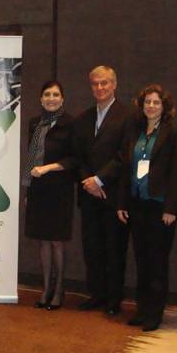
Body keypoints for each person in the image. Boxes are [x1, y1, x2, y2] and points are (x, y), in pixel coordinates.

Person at [117, 84, 177, 332]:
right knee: (141, 259)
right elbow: (126, 168)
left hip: (160, 207)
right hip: (137, 204)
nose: (151, 106)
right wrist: (122, 202)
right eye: (147, 102)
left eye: (156, 102)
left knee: (157, 262)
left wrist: (171, 208)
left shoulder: (174, 132)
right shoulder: (135, 130)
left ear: (164, 106)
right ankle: (142, 309)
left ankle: (154, 313)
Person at [72, 65, 131, 315]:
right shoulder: (83, 118)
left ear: (114, 84)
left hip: (114, 195)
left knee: (114, 249)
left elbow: (125, 155)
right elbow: (78, 156)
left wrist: (100, 179)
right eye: (95, 83)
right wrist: (89, 181)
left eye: (104, 82)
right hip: (89, 195)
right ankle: (96, 294)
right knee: (92, 248)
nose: (100, 87)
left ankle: (113, 299)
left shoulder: (129, 115)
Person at [24, 80, 75, 310]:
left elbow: (74, 159)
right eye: (47, 94)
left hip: (59, 189)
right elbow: (30, 158)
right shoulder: (35, 123)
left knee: (56, 241)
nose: (51, 98)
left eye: (55, 95)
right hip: (38, 189)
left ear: (62, 99)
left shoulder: (70, 124)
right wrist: (27, 189)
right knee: (42, 240)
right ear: (41, 99)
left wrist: (48, 168)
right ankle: (46, 288)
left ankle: (59, 289)